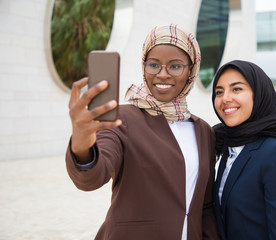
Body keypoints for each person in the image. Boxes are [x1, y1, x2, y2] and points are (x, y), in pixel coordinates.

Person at [66, 24, 220, 240]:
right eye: (154, 64)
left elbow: (206, 204)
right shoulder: (122, 118)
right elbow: (93, 176)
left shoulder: (203, 131)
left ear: (191, 71)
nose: (162, 74)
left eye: (175, 66)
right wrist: (82, 141)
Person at [211, 60, 276, 240]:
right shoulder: (228, 145)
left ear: (259, 94)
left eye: (237, 89)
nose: (225, 98)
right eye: (219, 92)